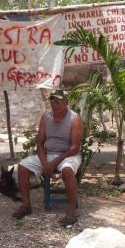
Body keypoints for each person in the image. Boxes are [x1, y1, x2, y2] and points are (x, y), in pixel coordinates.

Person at [12, 89, 83, 226]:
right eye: (52, 101)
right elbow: (40, 143)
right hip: (49, 154)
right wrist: (45, 163)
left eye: (58, 101)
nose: (54, 104)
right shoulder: (46, 117)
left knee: (67, 170)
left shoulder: (74, 118)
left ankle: (71, 212)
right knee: (23, 166)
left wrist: (54, 162)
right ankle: (26, 206)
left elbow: (75, 147)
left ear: (66, 103)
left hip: (68, 154)